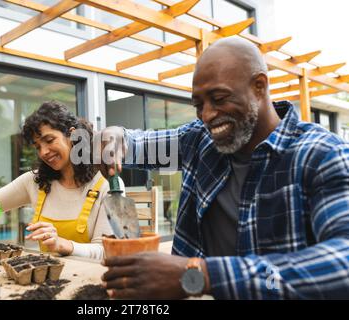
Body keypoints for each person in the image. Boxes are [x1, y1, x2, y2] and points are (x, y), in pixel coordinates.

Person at [99, 37, 349, 299]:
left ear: (259, 87)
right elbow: (136, 145)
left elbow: (343, 264)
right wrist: (116, 136)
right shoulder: (199, 142)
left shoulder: (321, 155)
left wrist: (199, 275)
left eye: (218, 98)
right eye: (198, 105)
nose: (207, 115)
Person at [0, 101, 121, 260]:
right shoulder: (35, 182)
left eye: (49, 140)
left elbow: (107, 251)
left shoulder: (107, 184)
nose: (43, 152)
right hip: (46, 279)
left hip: (90, 279)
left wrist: (63, 244)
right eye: (37, 146)